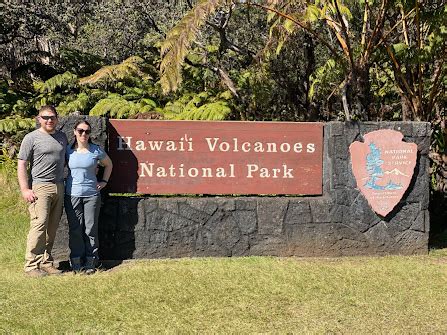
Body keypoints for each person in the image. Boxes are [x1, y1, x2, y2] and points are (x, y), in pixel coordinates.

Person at [18, 105, 68, 277]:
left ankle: (46, 262)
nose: (49, 120)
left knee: (52, 227)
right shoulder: (31, 138)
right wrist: (25, 189)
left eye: (52, 117)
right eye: (45, 117)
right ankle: (31, 265)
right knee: (39, 225)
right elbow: (22, 164)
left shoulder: (62, 137)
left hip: (59, 186)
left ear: (57, 118)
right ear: (39, 119)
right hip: (40, 187)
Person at [65, 120, 112, 274]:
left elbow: (109, 164)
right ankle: (76, 260)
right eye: (80, 131)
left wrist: (104, 181)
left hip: (92, 195)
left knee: (90, 228)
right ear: (74, 132)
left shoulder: (95, 151)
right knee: (75, 229)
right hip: (72, 195)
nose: (84, 134)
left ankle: (92, 260)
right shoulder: (68, 151)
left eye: (87, 131)